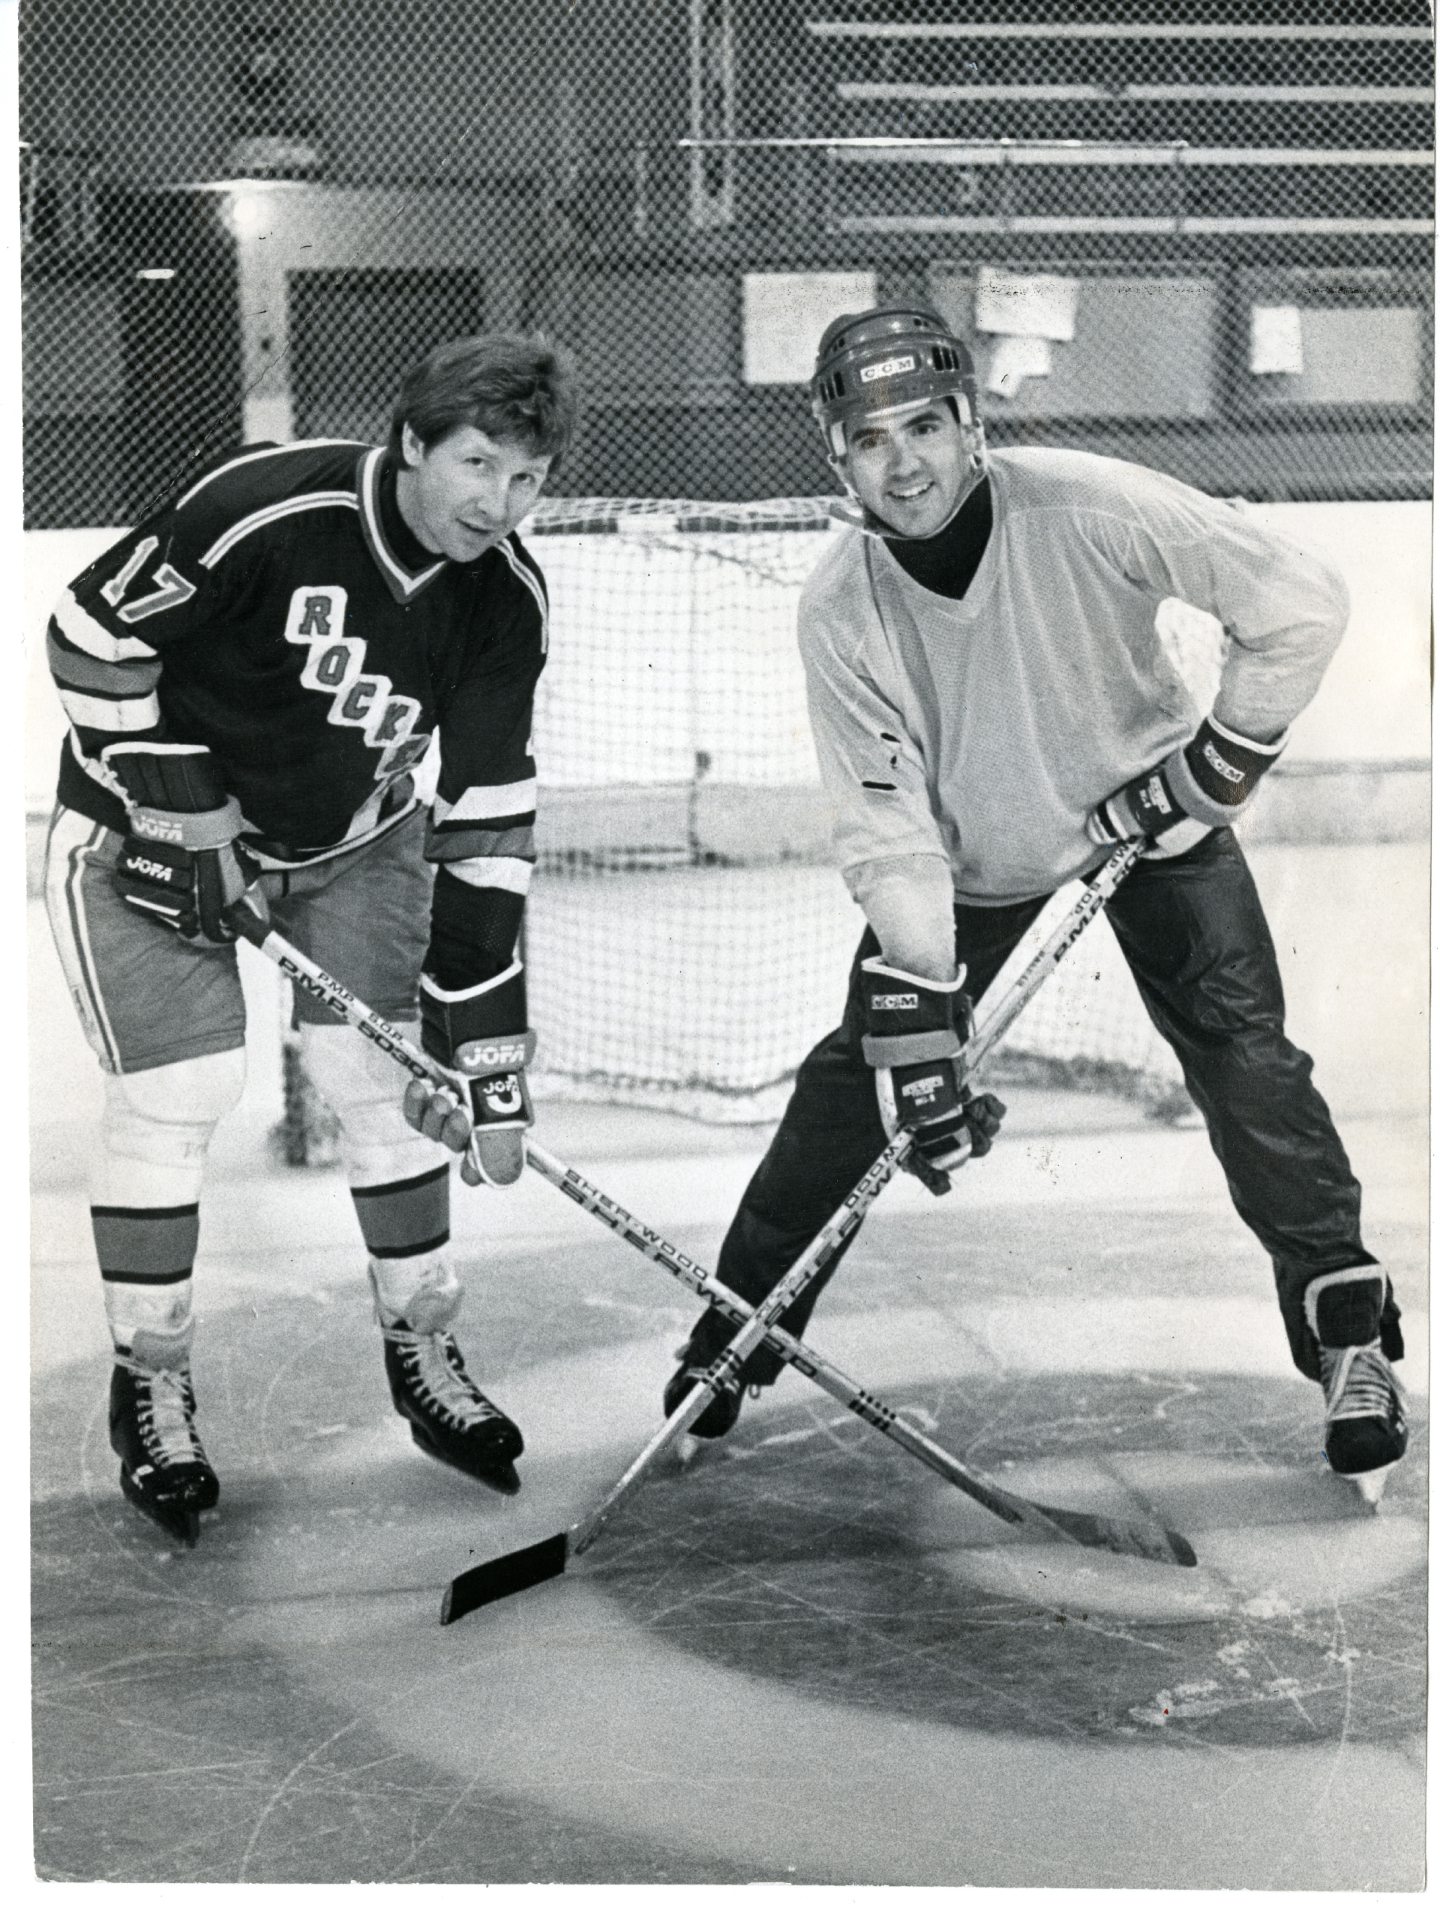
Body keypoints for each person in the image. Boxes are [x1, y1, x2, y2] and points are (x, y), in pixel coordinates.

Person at [663, 305, 1406, 1502]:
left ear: (971, 423)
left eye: (925, 425)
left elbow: (1301, 599)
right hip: (970, 860)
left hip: (1147, 822)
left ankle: (1349, 1335)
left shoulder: (1087, 504)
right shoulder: (840, 610)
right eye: (869, 439)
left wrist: (1212, 768)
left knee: (1244, 1054)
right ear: (835, 457)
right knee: (861, 1079)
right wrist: (921, 1009)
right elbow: (884, 824)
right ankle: (736, 1336)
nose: (902, 461)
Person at [44, 331, 578, 1542]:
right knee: (180, 1090)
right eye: (477, 463)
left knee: (383, 1083)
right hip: (136, 826)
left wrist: (479, 1041)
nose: (499, 504)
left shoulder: (504, 601)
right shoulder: (261, 509)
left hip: (352, 838)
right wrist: (180, 804)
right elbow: (88, 636)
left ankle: (424, 1347)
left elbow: (488, 814)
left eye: (530, 478)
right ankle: (154, 1376)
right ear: (411, 446)